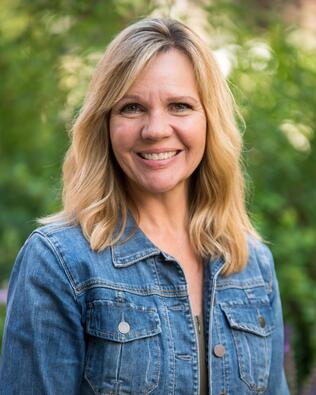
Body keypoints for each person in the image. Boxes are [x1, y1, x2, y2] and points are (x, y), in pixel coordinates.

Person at [0, 17, 289, 395]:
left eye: (180, 106)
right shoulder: (59, 262)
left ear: (210, 122)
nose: (155, 129)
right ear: (104, 123)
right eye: (132, 108)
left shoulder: (251, 264)